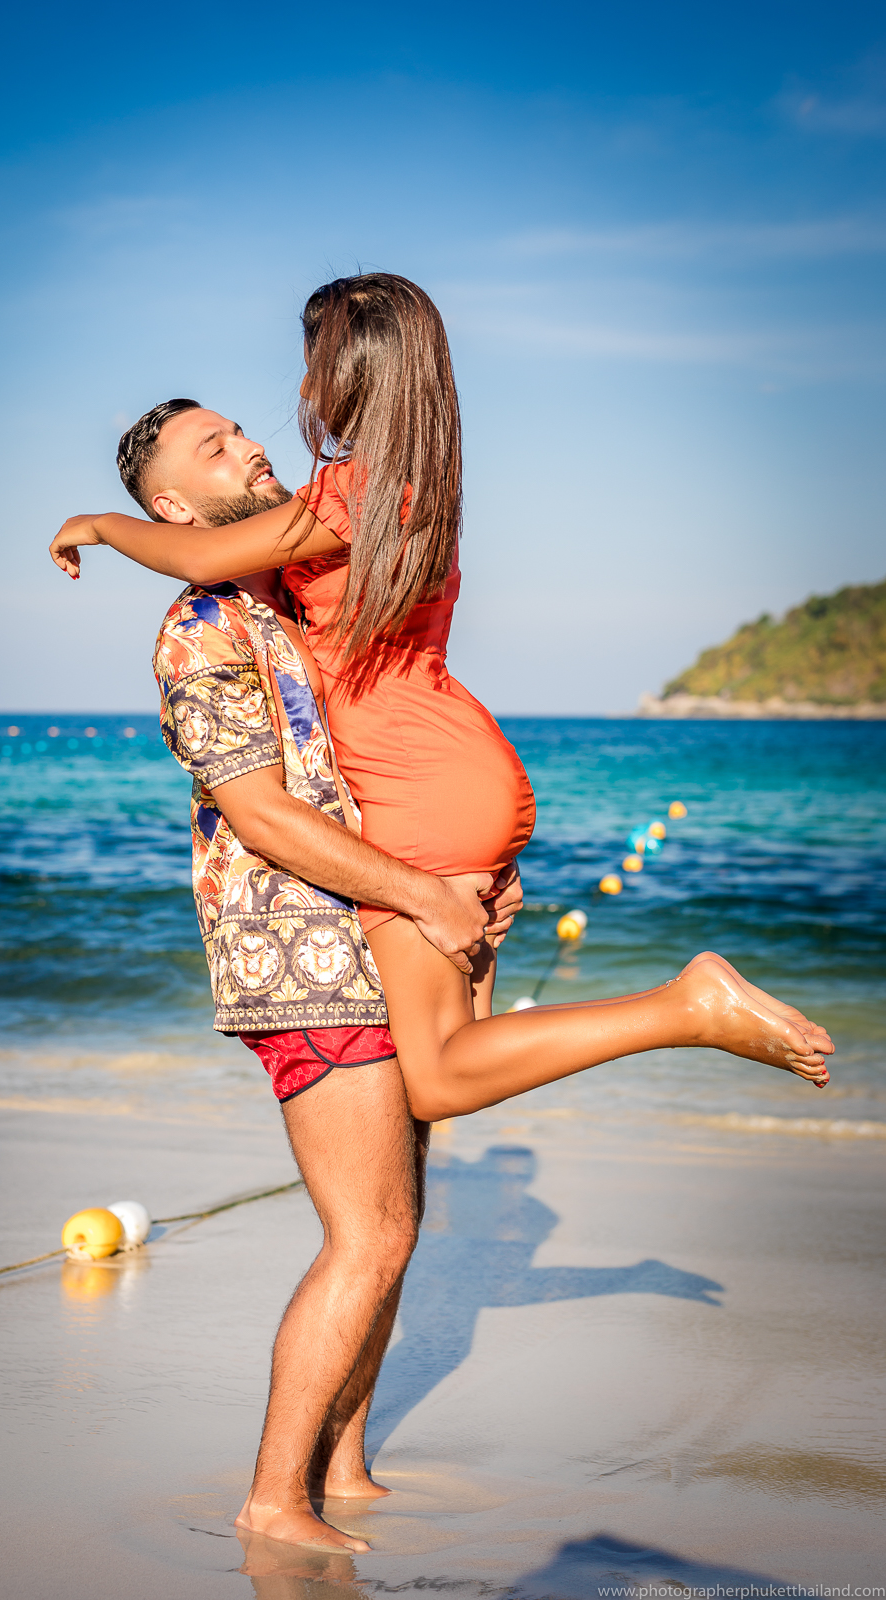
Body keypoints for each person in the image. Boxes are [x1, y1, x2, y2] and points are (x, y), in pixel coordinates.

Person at [50, 271, 833, 1128]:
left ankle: (687, 1008)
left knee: (438, 1081)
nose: (299, 392)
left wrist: (98, 524)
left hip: (413, 782)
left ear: (354, 376)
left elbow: (200, 558)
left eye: (312, 367)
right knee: (466, 1050)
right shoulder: (406, 487)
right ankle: (682, 1009)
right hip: (450, 759)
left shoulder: (347, 495)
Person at [118, 396, 522, 1553]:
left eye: (241, 429)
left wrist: (460, 879)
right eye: (213, 447)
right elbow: (261, 815)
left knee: (398, 1217)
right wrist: (423, 894)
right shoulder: (200, 625)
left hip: (374, 939)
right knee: (370, 1231)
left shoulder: (293, 601)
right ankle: (272, 1499)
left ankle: (340, 1464)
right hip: (297, 955)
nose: (248, 445)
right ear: (171, 506)